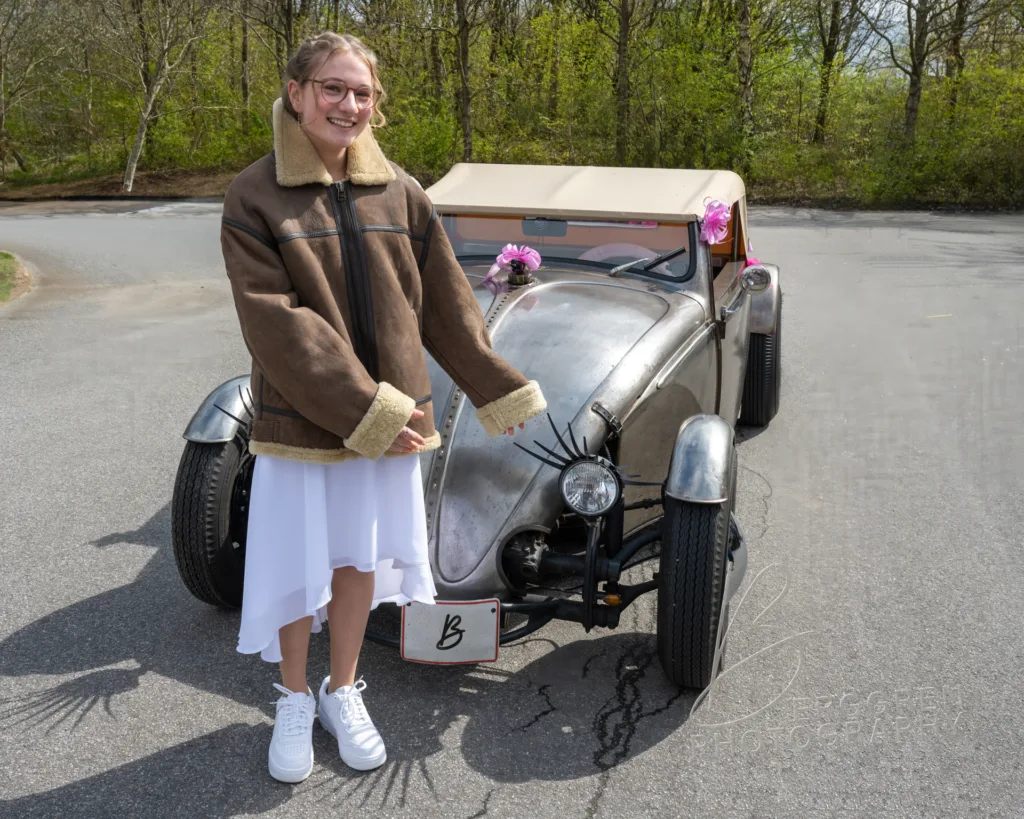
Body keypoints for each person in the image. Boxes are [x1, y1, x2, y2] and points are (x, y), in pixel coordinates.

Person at [219, 31, 546, 783]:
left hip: (393, 423)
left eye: (361, 92)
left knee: (356, 559)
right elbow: (276, 323)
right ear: (297, 92)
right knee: (299, 563)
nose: (348, 104)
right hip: (306, 420)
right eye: (332, 88)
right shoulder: (254, 194)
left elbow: (446, 304)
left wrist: (496, 385)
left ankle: (342, 690)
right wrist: (369, 410)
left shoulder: (401, 190)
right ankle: (293, 697)